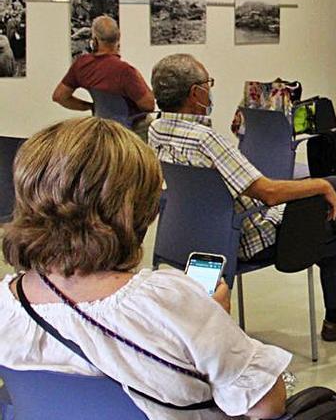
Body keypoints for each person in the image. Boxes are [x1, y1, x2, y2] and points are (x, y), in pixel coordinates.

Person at [0, 117, 290, 419]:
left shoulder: (6, 306)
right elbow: (266, 406)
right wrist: (212, 322)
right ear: (142, 210)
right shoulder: (171, 303)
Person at [148, 54, 336, 342]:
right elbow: (269, 193)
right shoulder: (206, 139)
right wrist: (320, 185)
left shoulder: (156, 130)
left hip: (188, 236)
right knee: (335, 205)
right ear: (195, 93)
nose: (211, 89)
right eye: (207, 83)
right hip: (241, 238)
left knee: (335, 220)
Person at [52, 16, 156, 140]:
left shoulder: (81, 65)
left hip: (102, 130)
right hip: (131, 133)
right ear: (119, 38)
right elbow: (149, 106)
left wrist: (91, 106)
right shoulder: (125, 71)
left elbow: (59, 96)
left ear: (94, 40)